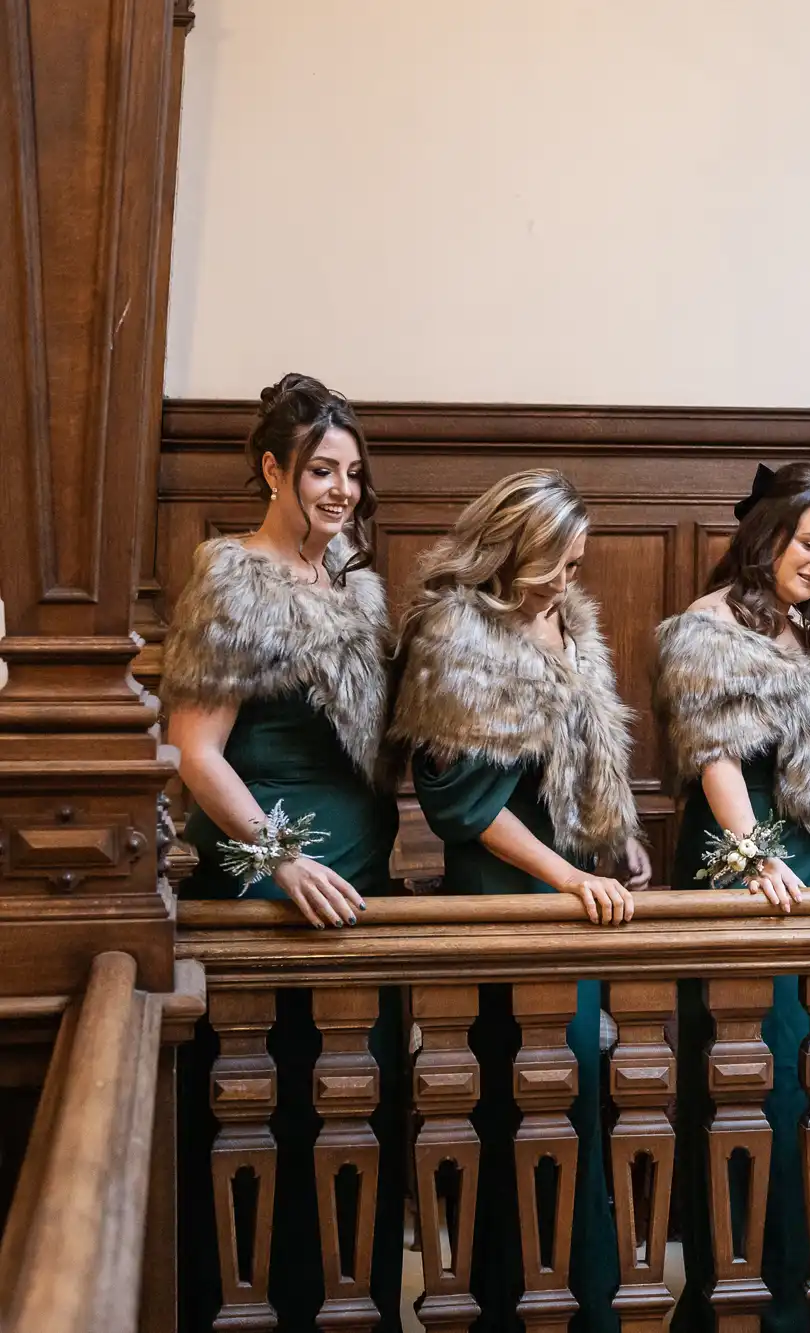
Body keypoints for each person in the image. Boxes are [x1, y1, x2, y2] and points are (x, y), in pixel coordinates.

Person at [164, 373, 407, 1331]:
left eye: (352, 473)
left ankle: (350, 1305)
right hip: (271, 885)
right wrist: (279, 860)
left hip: (362, 883)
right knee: (265, 1118)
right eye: (321, 470)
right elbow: (194, 750)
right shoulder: (234, 577)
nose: (341, 490)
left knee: (355, 1114)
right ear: (273, 469)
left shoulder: (354, 583)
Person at [391, 468, 648, 1332]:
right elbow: (465, 804)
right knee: (516, 1116)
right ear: (511, 547)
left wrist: (613, 846)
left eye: (576, 563)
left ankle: (582, 1305)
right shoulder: (455, 631)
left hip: (572, 894)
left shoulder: (567, 619)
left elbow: (579, 766)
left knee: (570, 1112)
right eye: (556, 564)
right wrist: (568, 876)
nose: (568, 582)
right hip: (508, 900)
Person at [653, 463, 810, 1333]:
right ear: (768, 535)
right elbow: (715, 752)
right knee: (751, 1083)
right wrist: (753, 856)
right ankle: (746, 1301)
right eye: (809, 543)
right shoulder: (705, 627)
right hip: (751, 873)